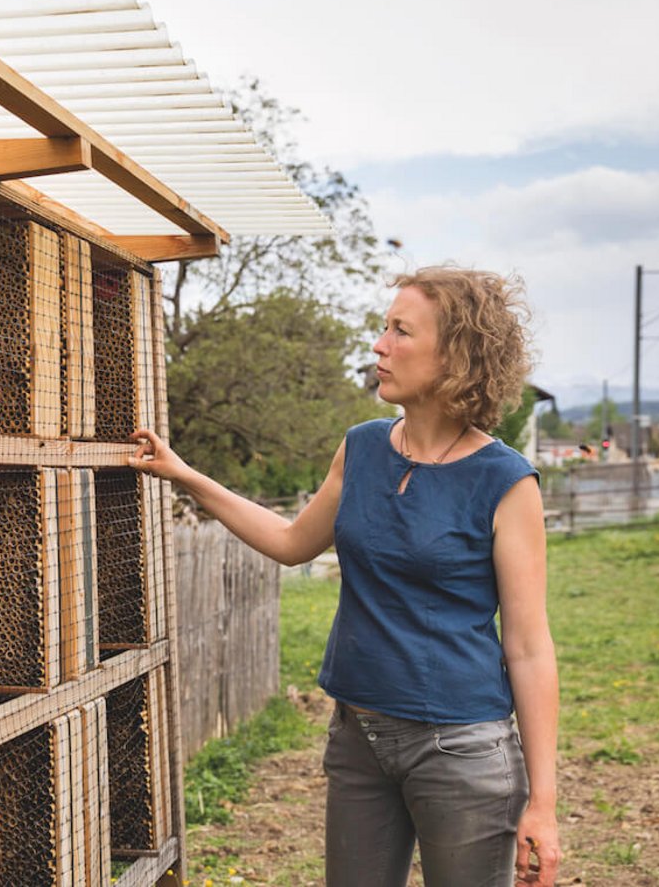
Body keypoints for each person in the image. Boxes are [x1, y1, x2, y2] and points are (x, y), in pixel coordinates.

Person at [129, 267, 560, 886]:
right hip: (359, 738)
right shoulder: (360, 447)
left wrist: (542, 804)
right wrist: (187, 476)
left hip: (463, 753)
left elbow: (528, 646)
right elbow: (289, 541)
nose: (380, 346)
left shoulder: (506, 481)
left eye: (401, 332)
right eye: (383, 328)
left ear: (457, 357)